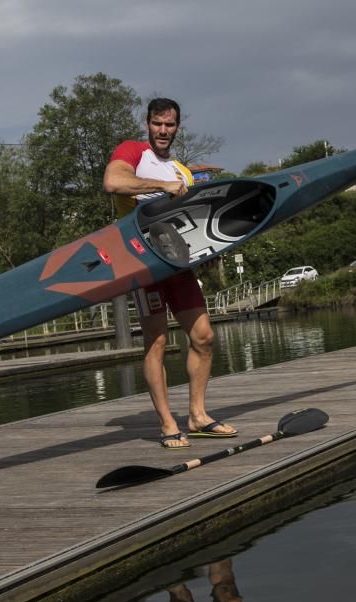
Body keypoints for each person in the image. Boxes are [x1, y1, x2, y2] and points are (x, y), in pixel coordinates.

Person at [103, 98, 237, 449]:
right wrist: (160, 187)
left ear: (178, 127)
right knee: (158, 340)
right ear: (148, 123)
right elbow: (113, 183)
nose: (164, 130)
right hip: (143, 264)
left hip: (178, 264)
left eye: (170, 124)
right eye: (158, 123)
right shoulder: (132, 151)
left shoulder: (182, 171)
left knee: (204, 336)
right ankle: (166, 423)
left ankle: (197, 416)